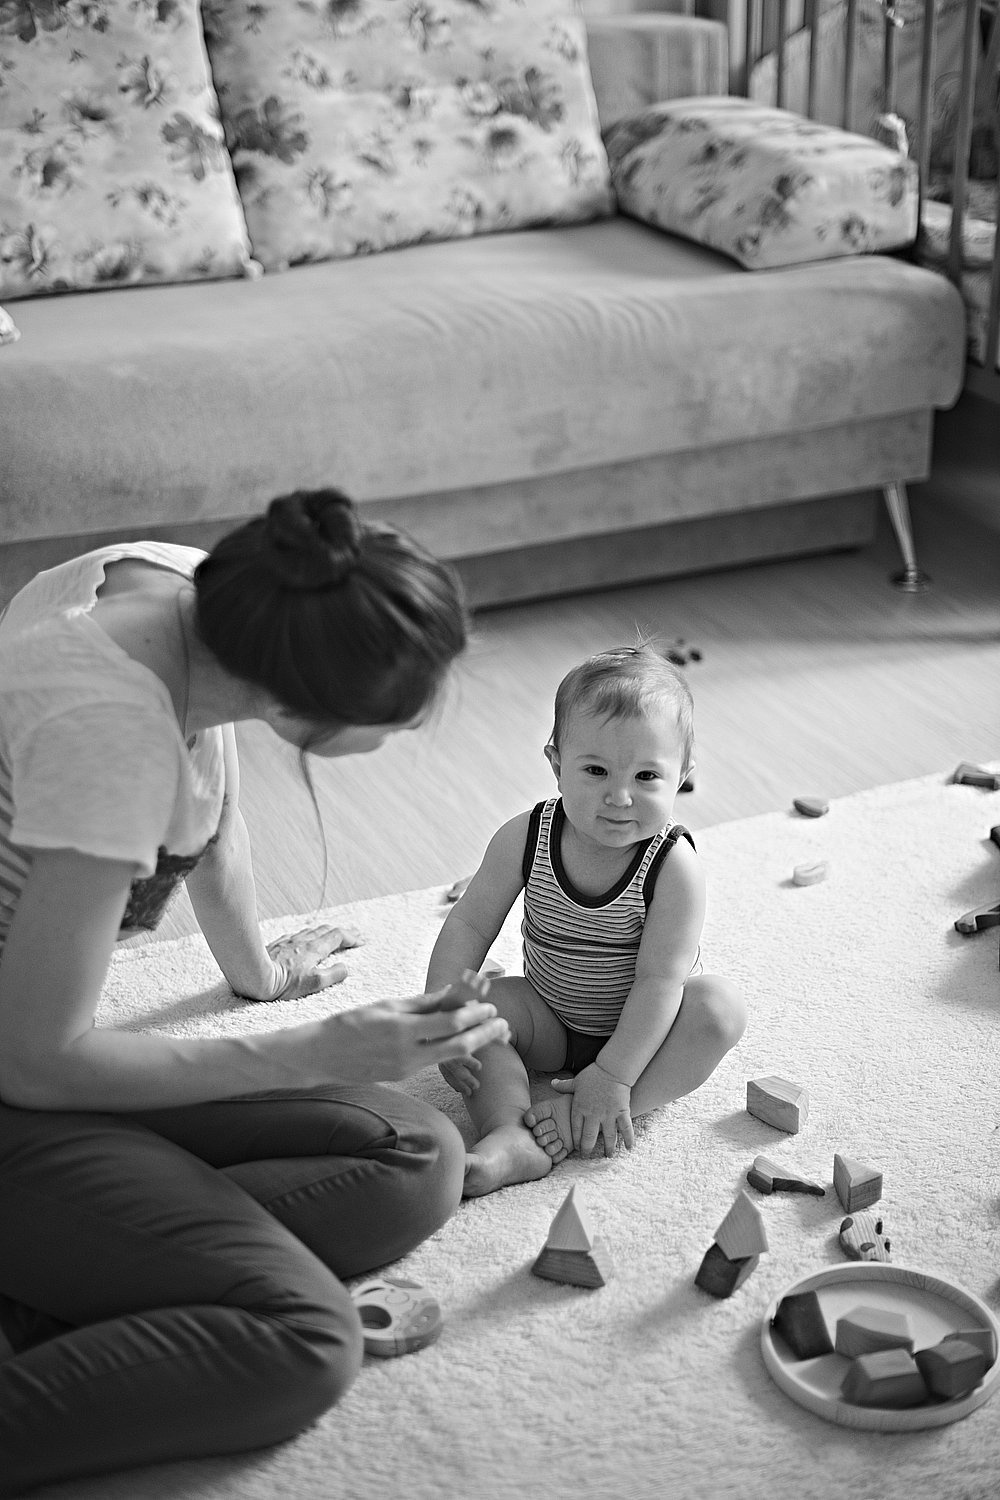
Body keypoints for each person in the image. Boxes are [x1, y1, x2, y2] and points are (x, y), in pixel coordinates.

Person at [0, 488, 510, 1496]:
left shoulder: (183, 588)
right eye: (392, 722)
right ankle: (72, 1257)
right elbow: (37, 1061)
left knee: (416, 1150)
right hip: (19, 1070)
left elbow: (206, 814)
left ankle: (68, 1261)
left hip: (28, 1049)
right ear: (292, 703)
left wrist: (263, 977)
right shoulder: (109, 735)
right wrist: (314, 1050)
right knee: (305, 1340)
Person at [427, 642, 747, 1197]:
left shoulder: (673, 867)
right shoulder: (525, 836)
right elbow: (469, 926)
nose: (619, 797)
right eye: (595, 770)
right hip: (547, 1016)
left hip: (646, 1031)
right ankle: (511, 1135)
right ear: (556, 766)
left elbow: (659, 982)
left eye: (648, 776)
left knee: (719, 1011)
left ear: (682, 778)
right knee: (477, 1009)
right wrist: (441, 1015)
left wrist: (615, 1073)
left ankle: (588, 1111)